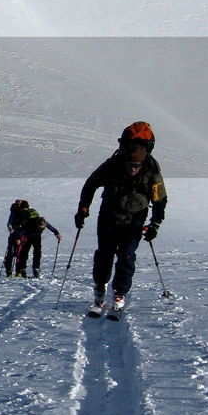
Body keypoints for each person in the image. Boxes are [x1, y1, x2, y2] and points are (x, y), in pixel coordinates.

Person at [74, 122, 167, 313]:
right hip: (108, 216)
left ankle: (119, 293)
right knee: (104, 255)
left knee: (126, 256)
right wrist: (83, 208)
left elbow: (160, 200)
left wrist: (155, 224)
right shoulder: (112, 165)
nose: (133, 169)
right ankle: (100, 288)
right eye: (129, 165)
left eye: (136, 166)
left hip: (135, 220)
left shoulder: (151, 170)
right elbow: (91, 184)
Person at [15, 207, 63, 278]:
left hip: (37, 237)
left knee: (37, 253)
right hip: (28, 237)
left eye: (42, 227)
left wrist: (57, 234)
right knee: (24, 252)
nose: (42, 228)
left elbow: (51, 228)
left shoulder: (44, 222)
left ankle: (36, 268)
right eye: (40, 227)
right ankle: (22, 269)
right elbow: (22, 231)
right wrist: (18, 238)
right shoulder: (30, 223)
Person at [4, 200, 30, 277]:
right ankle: (15, 271)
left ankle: (10, 271)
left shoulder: (15, 211)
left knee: (12, 253)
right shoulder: (18, 212)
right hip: (18, 236)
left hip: (15, 235)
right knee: (17, 253)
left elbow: (9, 224)